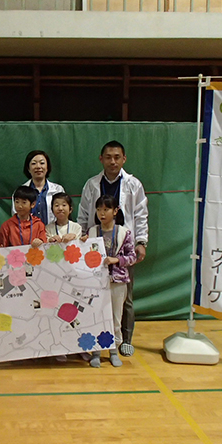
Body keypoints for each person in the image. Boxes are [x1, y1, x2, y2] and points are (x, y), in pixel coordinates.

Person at [77, 140, 148, 357]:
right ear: (101, 159)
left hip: (122, 246)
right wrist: (81, 237)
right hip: (95, 246)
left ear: (124, 159)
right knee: (93, 295)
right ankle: (94, 340)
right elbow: (83, 213)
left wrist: (141, 242)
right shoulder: (92, 184)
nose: (113, 161)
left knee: (124, 297)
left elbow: (140, 214)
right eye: (108, 157)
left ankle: (125, 340)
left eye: (117, 157)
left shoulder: (133, 184)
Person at [82, 195, 136, 368]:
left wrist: (117, 260)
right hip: (95, 282)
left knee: (115, 318)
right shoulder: (91, 232)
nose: (102, 213)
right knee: (96, 316)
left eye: (106, 209)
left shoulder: (124, 232)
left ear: (115, 211)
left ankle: (113, 351)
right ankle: (96, 352)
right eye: (99, 210)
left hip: (117, 282)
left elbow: (132, 257)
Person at [12, 150, 65, 225]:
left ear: (47, 167)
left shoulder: (58, 190)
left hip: (52, 231)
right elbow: (16, 216)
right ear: (28, 168)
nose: (38, 167)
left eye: (42, 163)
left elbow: (63, 215)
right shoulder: (20, 192)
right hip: (28, 231)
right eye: (34, 163)